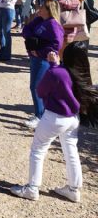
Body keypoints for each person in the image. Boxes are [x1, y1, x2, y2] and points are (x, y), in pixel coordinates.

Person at [10, 43, 98, 203]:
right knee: (71, 152)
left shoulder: (58, 72)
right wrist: (55, 66)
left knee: (38, 150)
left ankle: (32, 188)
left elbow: (41, 91)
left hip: (54, 117)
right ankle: (74, 189)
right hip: (73, 119)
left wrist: (52, 67)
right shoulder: (82, 74)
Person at [21, 0, 64, 130]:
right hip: (35, 59)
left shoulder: (53, 24)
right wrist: (33, 39)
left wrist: (40, 52)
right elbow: (25, 30)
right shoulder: (40, 20)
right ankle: (42, 115)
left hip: (43, 60)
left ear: (49, 10)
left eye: (42, 8)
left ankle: (40, 116)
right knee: (36, 87)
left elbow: (57, 44)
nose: (39, 9)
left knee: (36, 87)